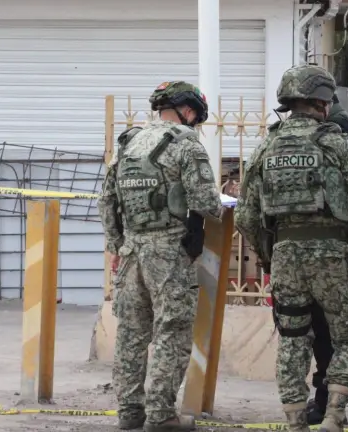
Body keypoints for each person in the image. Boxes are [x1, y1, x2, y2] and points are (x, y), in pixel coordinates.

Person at [235, 64, 348, 432]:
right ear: (323, 102)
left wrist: (267, 257)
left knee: (293, 337)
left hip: (285, 255)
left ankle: (294, 421)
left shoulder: (266, 146)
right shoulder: (334, 142)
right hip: (332, 255)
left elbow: (245, 216)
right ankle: (334, 415)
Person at [98, 81, 222, 432]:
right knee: (172, 330)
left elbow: (106, 201)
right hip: (168, 253)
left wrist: (116, 246)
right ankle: (161, 414)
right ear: (186, 110)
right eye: (195, 114)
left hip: (131, 251)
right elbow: (207, 203)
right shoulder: (185, 144)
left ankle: (130, 412)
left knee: (132, 334)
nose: (195, 121)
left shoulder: (127, 143)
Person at [306, 93, 348, 425]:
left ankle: (327, 403)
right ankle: (329, 404)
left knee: (329, 332)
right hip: (346, 244)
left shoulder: (336, 130)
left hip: (333, 243)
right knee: (338, 332)